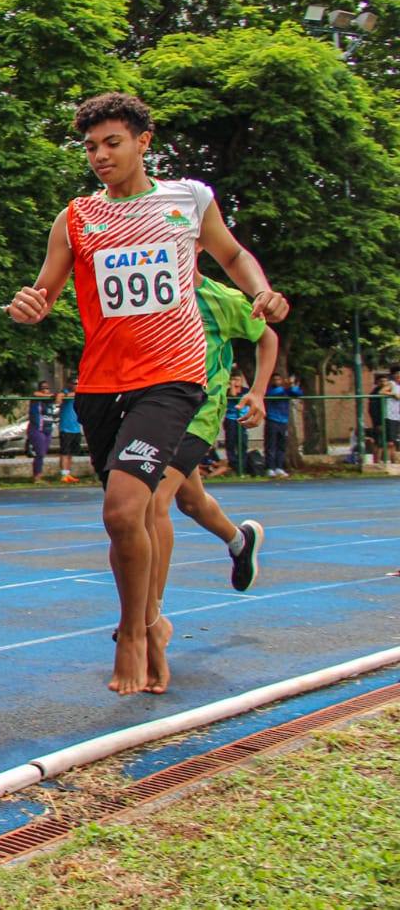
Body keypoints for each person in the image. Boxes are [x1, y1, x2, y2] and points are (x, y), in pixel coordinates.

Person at [8, 91, 287, 695]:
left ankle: (132, 631)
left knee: (127, 508)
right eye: (90, 147)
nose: (100, 156)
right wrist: (30, 307)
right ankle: (154, 623)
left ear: (143, 142)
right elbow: (45, 292)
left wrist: (262, 291)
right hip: (103, 384)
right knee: (125, 520)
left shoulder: (187, 200)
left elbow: (233, 254)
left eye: (112, 143)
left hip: (174, 377)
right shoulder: (76, 217)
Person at [144, 276, 278, 690]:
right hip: (155, 408)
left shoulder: (221, 299)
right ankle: (239, 541)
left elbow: (267, 336)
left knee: (153, 502)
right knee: (191, 501)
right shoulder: (146, 288)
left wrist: (257, 391)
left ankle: (151, 618)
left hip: (199, 413)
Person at [263, 373, 302, 477]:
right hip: (272, 420)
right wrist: (285, 388)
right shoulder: (270, 390)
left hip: (283, 421)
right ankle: (270, 468)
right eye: (275, 380)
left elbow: (298, 393)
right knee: (271, 446)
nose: (277, 381)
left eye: (279, 379)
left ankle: (279, 467)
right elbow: (273, 394)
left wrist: (292, 386)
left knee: (281, 446)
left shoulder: (286, 390)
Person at [27, 380, 59, 484]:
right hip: (37, 429)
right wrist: (52, 395)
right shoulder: (36, 399)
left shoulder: (50, 401)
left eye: (47, 388)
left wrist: (57, 396)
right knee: (40, 453)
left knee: (43, 453)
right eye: (43, 388)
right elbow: (35, 394)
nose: (45, 390)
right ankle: (37, 477)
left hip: (47, 429)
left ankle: (38, 474)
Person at [222, 373, 248, 473]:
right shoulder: (228, 391)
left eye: (238, 380)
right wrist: (232, 386)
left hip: (241, 420)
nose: (236, 382)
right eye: (234, 379)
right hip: (231, 419)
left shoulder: (245, 391)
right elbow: (233, 394)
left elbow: (238, 397)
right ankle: (233, 464)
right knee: (230, 442)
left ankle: (242, 466)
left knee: (242, 443)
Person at [57, 376, 82, 482]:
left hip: (76, 428)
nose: (76, 386)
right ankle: (63, 474)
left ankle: (68, 473)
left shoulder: (80, 394)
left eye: (77, 383)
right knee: (65, 452)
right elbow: (59, 397)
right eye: (74, 383)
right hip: (66, 428)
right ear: (69, 384)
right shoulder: (65, 392)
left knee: (71, 453)